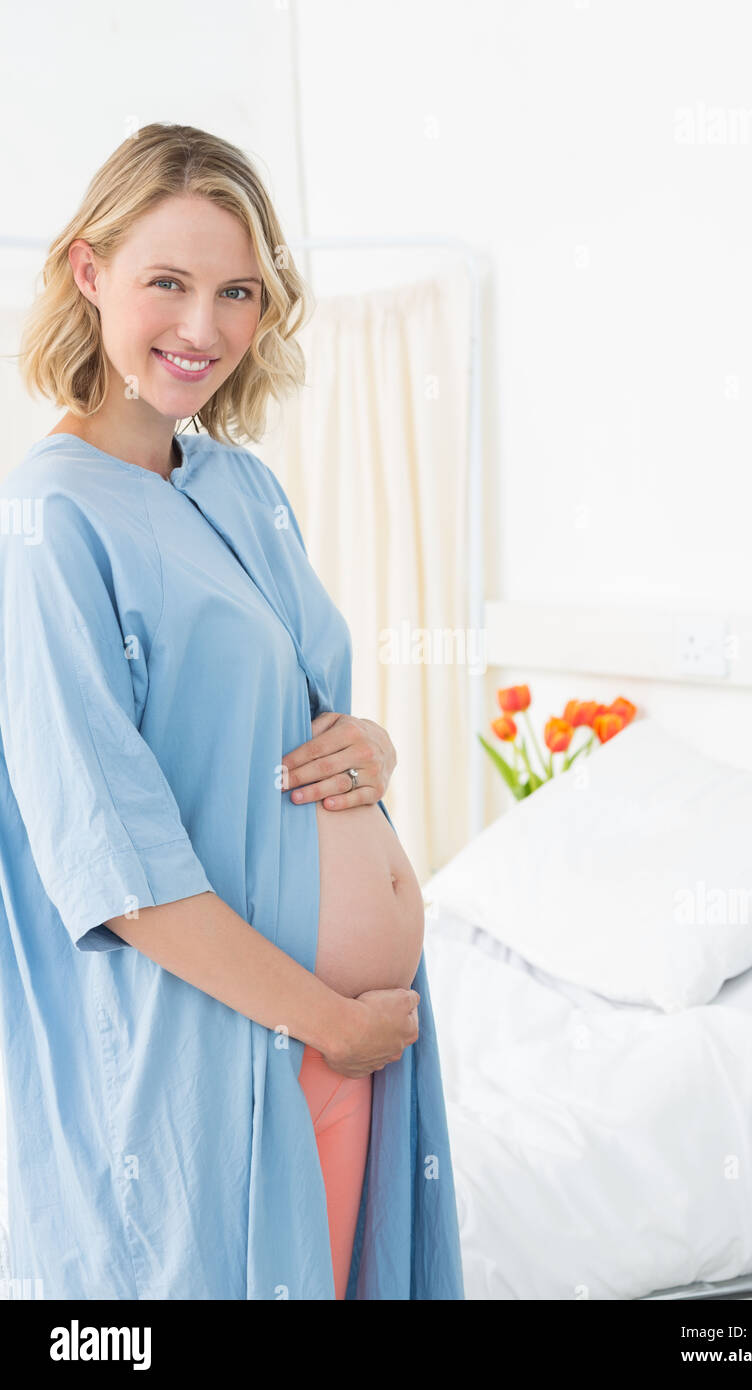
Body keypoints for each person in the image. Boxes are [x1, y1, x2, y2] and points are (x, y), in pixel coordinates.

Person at [0, 123, 464, 1300]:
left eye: (237, 291)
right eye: (167, 282)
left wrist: (377, 746)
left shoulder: (238, 484)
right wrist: (327, 1021)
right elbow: (111, 865)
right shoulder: (51, 527)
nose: (202, 327)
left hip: (340, 1042)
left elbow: (304, 732)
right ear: (87, 270)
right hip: (217, 1050)